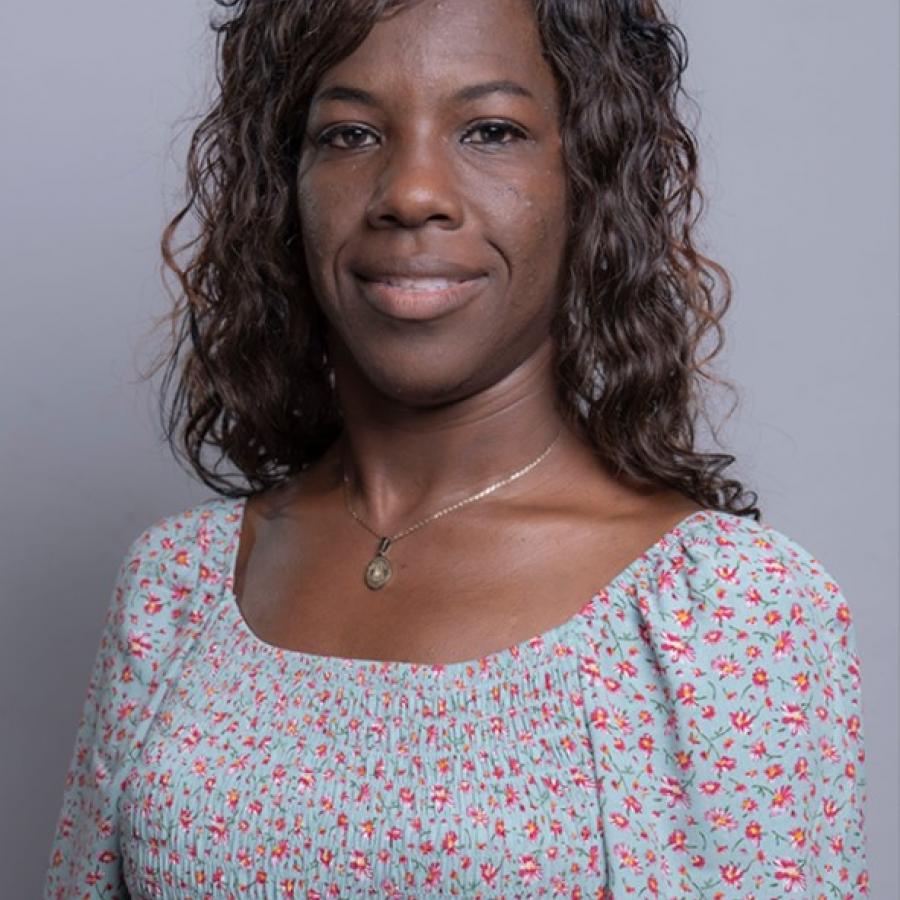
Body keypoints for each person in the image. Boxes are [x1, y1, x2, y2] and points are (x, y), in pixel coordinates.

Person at [45, 0, 868, 896]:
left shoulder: (727, 614)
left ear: (589, 178)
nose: (411, 193)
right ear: (285, 187)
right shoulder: (179, 587)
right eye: (351, 134)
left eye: (491, 131)